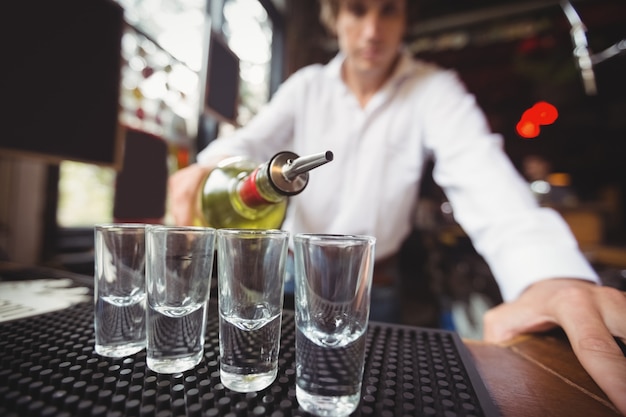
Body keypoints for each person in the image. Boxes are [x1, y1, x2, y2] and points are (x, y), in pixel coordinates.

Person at [169, 0, 626, 413]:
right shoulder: (306, 87)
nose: (372, 30)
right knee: (267, 397)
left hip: (373, 290)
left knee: (360, 400)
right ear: (335, 17)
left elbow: (481, 171)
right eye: (357, 9)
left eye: (388, 10)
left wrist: (550, 275)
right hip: (291, 279)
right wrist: (205, 166)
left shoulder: (434, 90)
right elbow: (252, 140)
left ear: (406, 18)